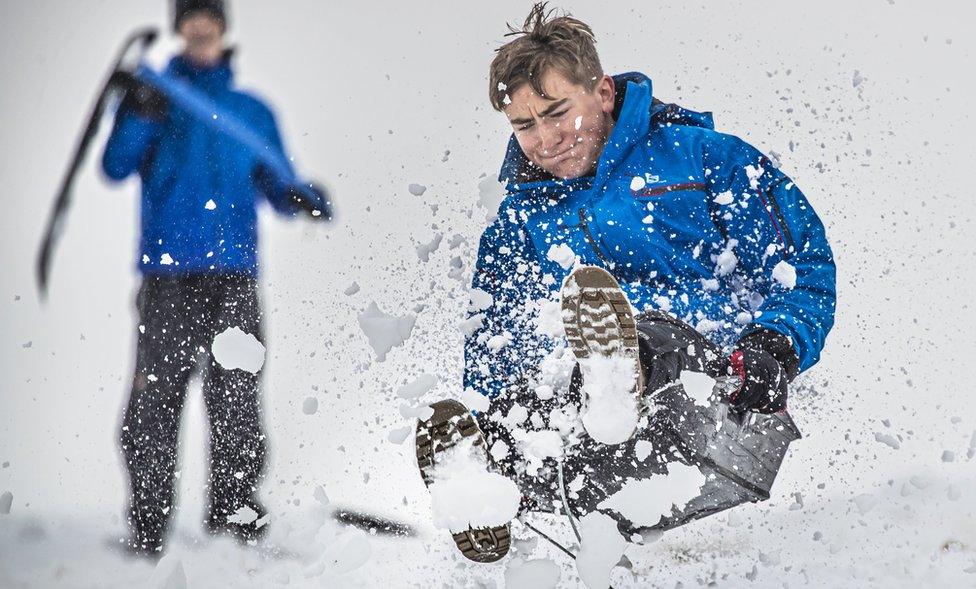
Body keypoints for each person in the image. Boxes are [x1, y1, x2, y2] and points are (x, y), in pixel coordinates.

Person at [415, 3, 835, 563]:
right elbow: (497, 333)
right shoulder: (518, 221)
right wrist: (492, 407)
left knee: (650, 340)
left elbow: (802, 262)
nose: (545, 139)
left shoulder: (704, 159)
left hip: (714, 392)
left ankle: (615, 378)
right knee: (521, 406)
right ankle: (488, 483)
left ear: (604, 93)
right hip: (590, 428)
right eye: (524, 125)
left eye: (558, 113)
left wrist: (773, 345)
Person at [102, 0, 328, 557]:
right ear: (179, 27)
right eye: (190, 15)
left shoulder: (252, 112)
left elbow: (278, 182)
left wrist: (303, 197)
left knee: (238, 403)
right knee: (153, 406)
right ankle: (147, 529)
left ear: (224, 27)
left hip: (234, 281)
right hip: (168, 281)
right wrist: (139, 112)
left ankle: (236, 522)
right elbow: (114, 166)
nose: (200, 26)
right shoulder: (157, 99)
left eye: (210, 15)